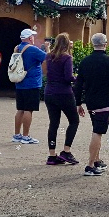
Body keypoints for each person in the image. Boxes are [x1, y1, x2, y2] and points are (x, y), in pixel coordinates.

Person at [75, 33, 109, 176]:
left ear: (93, 44)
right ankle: (90, 165)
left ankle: (97, 160)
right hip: (104, 102)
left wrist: (78, 102)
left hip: (91, 101)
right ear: (105, 44)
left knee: (96, 129)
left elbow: (78, 83)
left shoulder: (85, 61)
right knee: (98, 132)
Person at [42, 33, 79, 166]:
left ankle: (52, 155)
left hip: (49, 92)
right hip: (63, 93)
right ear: (67, 43)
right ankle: (66, 151)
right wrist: (78, 78)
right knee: (74, 121)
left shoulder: (49, 56)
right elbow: (68, 77)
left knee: (54, 123)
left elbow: (47, 72)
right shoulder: (67, 57)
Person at [12, 28, 47, 144]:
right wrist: (47, 48)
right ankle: (26, 136)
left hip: (20, 82)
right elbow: (47, 57)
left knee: (20, 109)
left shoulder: (17, 48)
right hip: (32, 83)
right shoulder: (33, 49)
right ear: (30, 38)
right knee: (29, 110)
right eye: (32, 36)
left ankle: (17, 134)